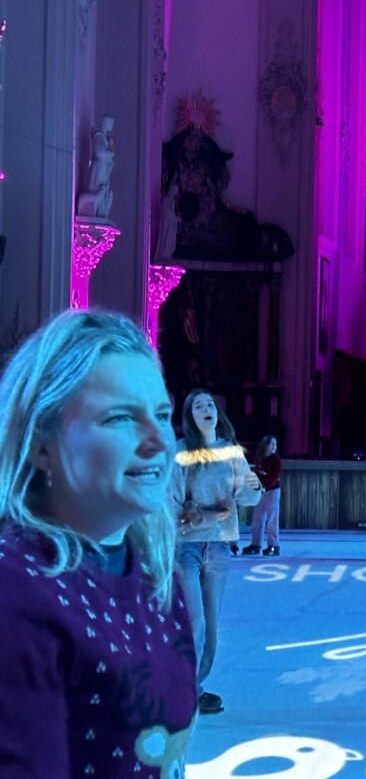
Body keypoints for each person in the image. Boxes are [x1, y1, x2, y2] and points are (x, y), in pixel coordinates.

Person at [0, 310, 196, 777]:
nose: (158, 441)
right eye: (120, 418)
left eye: (164, 415)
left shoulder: (152, 571)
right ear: (40, 444)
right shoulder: (15, 593)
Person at [173, 388, 262, 715]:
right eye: (198, 405)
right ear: (190, 416)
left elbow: (244, 498)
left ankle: (196, 688)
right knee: (194, 620)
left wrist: (253, 489)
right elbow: (174, 502)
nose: (206, 408)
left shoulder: (231, 452)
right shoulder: (181, 453)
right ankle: (183, 689)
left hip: (221, 545)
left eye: (210, 404)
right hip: (186, 546)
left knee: (211, 624)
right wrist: (200, 513)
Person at [243, 435, 282, 555]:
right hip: (260, 492)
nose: (274, 447)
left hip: (272, 492)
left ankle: (273, 545)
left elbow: (274, 477)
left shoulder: (276, 460)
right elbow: (257, 473)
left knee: (271, 520)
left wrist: (264, 486)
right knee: (257, 519)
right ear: (266, 445)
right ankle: (256, 544)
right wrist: (256, 486)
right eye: (272, 444)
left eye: (275, 445)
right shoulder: (259, 458)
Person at [78, 115, 115, 219]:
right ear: (105, 123)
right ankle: (93, 209)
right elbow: (99, 152)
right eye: (111, 124)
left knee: (102, 187)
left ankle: (98, 209)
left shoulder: (104, 137)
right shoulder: (99, 135)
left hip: (102, 167)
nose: (112, 126)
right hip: (99, 167)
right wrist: (109, 153)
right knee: (97, 187)